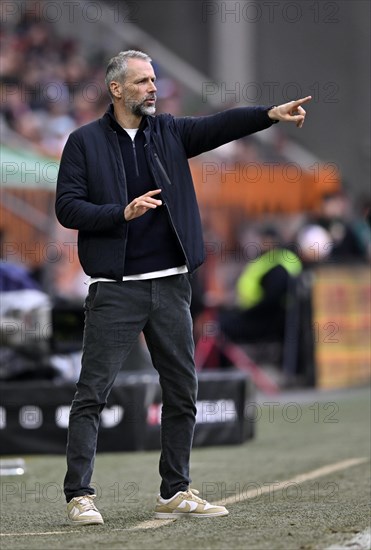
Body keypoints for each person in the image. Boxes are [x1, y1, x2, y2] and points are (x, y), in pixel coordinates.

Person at [55, 50, 311, 524]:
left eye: (155, 80)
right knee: (92, 392)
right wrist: (120, 213)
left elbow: (219, 125)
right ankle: (79, 496)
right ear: (116, 89)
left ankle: (175, 490)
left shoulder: (169, 132)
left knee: (182, 392)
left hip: (172, 286)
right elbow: (67, 208)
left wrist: (269, 115)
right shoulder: (83, 143)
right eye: (143, 81)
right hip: (116, 289)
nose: (153, 88)